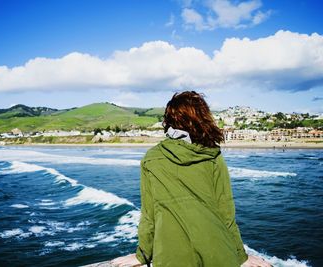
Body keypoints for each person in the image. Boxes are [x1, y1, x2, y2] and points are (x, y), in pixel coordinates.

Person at [111, 91, 272, 267]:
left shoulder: (151, 159)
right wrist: (241, 256)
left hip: (171, 257)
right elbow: (227, 213)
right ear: (202, 119)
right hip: (220, 254)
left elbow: (149, 217)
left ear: (169, 121)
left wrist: (142, 255)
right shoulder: (213, 155)